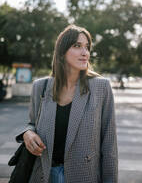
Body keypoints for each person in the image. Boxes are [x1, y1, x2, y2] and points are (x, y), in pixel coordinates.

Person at [16, 24, 118, 183]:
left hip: (84, 176)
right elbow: (32, 123)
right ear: (62, 52)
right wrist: (27, 133)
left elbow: (109, 144)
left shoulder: (101, 87)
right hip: (44, 173)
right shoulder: (41, 87)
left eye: (87, 47)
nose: (85, 53)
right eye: (77, 46)